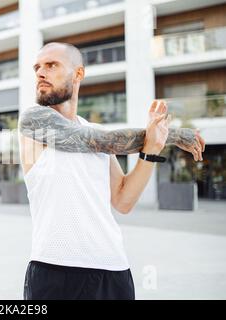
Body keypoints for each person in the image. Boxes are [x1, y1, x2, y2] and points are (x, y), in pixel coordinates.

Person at [18, 42, 206, 300]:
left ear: (78, 74)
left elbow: (123, 200)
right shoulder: (33, 121)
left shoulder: (94, 129)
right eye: (37, 67)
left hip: (113, 269)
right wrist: (171, 135)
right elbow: (100, 140)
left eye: (52, 65)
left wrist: (151, 151)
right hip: (54, 271)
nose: (40, 72)